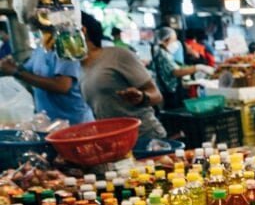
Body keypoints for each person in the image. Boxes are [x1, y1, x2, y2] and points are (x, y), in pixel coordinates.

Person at [79, 12, 167, 140]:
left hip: (145, 138)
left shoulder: (118, 55)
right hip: (115, 141)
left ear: (82, 31)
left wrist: (141, 97)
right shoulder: (80, 68)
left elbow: (156, 95)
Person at [0, 28, 93, 125]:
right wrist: (11, 66)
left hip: (73, 123)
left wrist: (16, 72)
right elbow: (27, 72)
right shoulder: (41, 48)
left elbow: (62, 86)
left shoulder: (65, 45)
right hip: (50, 123)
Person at [151, 27, 212, 109]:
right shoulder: (162, 54)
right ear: (165, 41)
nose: (176, 43)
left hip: (171, 91)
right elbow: (176, 71)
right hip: (169, 93)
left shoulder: (164, 53)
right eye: (174, 40)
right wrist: (198, 67)